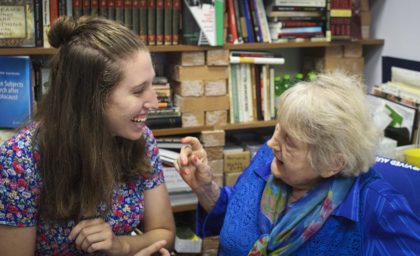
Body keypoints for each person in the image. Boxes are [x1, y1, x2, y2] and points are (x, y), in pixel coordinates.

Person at [175, 72, 420, 255]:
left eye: (289, 140)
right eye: (277, 130)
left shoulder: (377, 206)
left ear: (332, 162)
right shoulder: (267, 160)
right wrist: (205, 188)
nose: (272, 143)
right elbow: (236, 217)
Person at [0, 16, 175, 255]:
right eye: (138, 90)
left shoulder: (141, 138)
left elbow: (165, 233)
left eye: (152, 84)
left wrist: (121, 245)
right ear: (90, 99)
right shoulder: (21, 160)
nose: (155, 102)